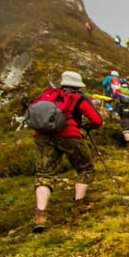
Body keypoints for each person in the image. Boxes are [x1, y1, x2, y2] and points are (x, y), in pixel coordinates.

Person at [30, 70, 103, 233]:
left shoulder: (49, 94)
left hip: (42, 135)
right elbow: (97, 120)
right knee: (85, 168)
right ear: (78, 85)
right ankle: (79, 205)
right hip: (69, 134)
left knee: (44, 174)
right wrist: (88, 127)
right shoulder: (78, 97)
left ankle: (40, 215)